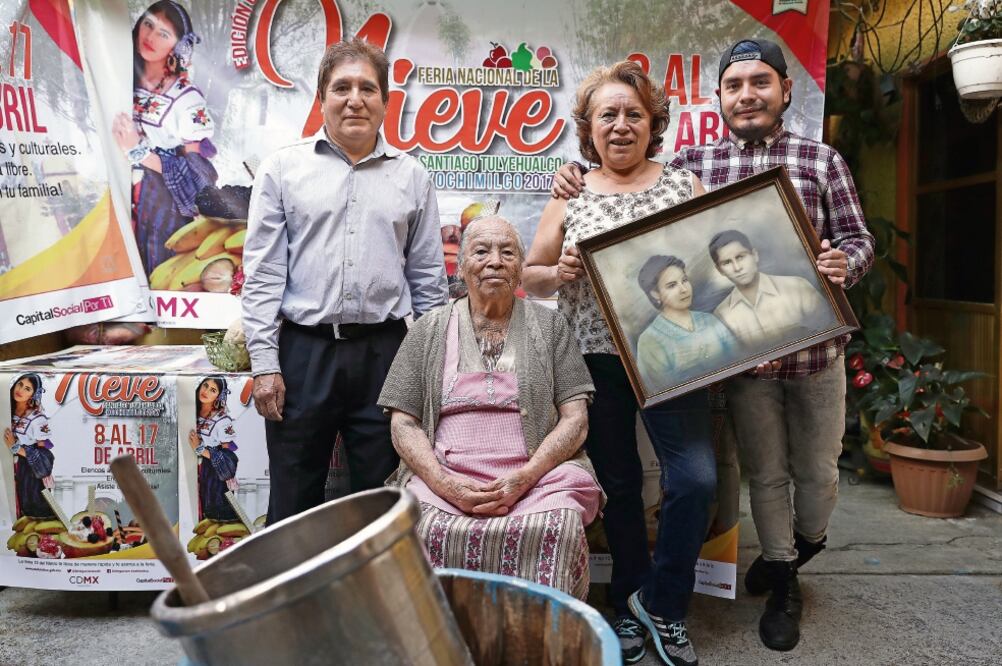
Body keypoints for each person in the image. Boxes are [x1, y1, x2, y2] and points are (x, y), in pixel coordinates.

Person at [550, 39, 875, 653]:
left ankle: (687, 593)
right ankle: (639, 600)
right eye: (734, 84)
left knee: (729, 479)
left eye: (760, 83)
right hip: (613, 357)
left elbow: (846, 241)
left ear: (784, 89)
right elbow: (540, 270)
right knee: (636, 483)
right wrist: (566, 221)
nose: (747, 94)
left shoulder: (702, 177)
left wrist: (839, 264)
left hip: (765, 355)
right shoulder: (675, 167)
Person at [524, 60, 713, 666]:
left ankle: (661, 607)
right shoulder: (572, 192)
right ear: (590, 127)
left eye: (634, 114)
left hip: (673, 354)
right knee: (621, 487)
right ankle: (631, 597)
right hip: (595, 360)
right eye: (609, 114)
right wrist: (559, 272)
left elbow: (715, 270)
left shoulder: (684, 186)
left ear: (653, 122)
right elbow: (530, 274)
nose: (622, 125)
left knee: (694, 479)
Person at [242, 38, 447, 525]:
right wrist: (265, 364)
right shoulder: (282, 171)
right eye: (342, 87)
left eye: (367, 88)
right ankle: (290, 601)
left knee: (383, 502)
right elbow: (264, 274)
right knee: (292, 500)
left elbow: (428, 282)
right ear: (321, 98)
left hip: (385, 356)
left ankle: (369, 601)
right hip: (302, 356)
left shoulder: (412, 177)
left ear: (385, 102)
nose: (355, 98)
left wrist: (432, 372)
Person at [379, 216, 602, 599]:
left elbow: (575, 419)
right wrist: (445, 484)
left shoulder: (551, 328)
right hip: (447, 476)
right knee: (421, 525)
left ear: (520, 268)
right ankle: (443, 644)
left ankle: (540, 640)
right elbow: (403, 423)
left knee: (558, 525)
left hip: (536, 480)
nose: (495, 261)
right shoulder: (427, 329)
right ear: (462, 266)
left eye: (507, 252)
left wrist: (526, 477)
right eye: (481, 251)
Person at [112, 1, 216, 276]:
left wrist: (138, 152)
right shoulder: (119, 77)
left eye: (164, 33)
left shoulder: (187, 99)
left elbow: (197, 176)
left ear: (177, 46)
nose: (150, 37)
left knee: (153, 272)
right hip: (116, 188)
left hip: (160, 201)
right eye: (148, 24)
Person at [708, 229, 828, 349]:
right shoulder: (721, 314)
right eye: (727, 262)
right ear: (720, 270)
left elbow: (827, 329)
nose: (737, 267)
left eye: (740, 257)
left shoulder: (798, 286)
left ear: (754, 255)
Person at [636, 254, 737, 389]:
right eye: (672, 285)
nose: (683, 289)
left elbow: (738, 358)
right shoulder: (649, 340)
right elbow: (661, 390)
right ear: (655, 293)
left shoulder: (709, 320)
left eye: (684, 280)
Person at [4, 374, 56, 519]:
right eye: (20, 384)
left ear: (34, 394)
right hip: (8, 468)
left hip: (29, 473)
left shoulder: (37, 419)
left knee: (31, 515)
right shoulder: (7, 410)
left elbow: (43, 454)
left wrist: (16, 448)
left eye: (27, 389)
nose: (20, 390)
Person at [188, 376, 239, 522]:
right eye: (205, 385)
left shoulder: (222, 420)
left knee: (213, 514)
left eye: (213, 390)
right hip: (195, 469)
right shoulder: (191, 410)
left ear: (219, 395)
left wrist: (200, 449)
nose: (206, 391)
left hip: (214, 474)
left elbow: (228, 455)